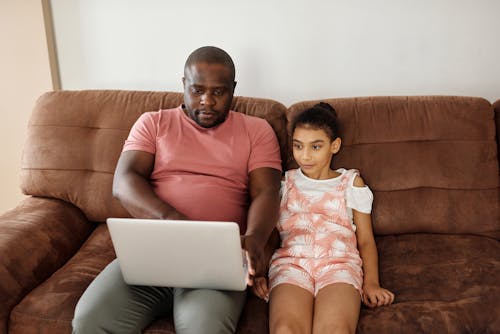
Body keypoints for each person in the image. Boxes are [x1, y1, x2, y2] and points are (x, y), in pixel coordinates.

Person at [72, 46, 282, 334]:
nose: (207, 101)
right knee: (89, 320)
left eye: (219, 92)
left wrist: (256, 239)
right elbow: (124, 181)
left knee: (204, 328)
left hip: (216, 260)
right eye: (197, 90)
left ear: (233, 90)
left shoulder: (257, 130)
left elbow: (266, 192)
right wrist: (174, 223)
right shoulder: (153, 123)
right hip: (153, 251)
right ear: (183, 84)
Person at [252, 102, 395, 334]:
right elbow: (268, 234)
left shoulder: (350, 183)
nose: (305, 156)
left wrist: (371, 283)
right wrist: (258, 272)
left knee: (334, 330)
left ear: (334, 146)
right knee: (285, 330)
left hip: (339, 265)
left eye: (316, 147)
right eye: (298, 146)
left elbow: (366, 240)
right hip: (292, 264)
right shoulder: (283, 184)